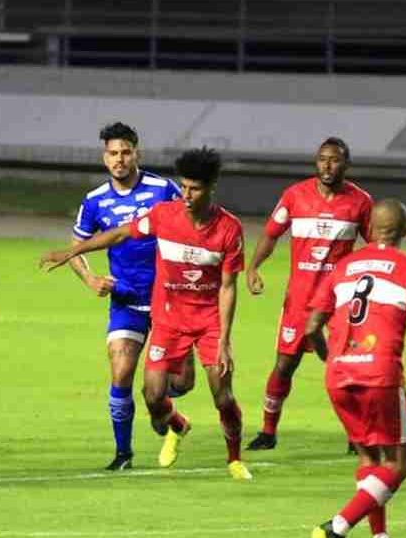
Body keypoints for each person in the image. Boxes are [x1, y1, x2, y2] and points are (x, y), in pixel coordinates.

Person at [41, 147, 252, 480]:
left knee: (222, 395)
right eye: (183, 186)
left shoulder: (228, 229)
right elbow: (121, 233)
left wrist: (224, 340)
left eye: (194, 188)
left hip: (209, 322)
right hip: (169, 319)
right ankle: (177, 425)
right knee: (152, 396)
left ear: (211, 188)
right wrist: (73, 250)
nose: (185, 194)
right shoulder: (164, 215)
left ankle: (235, 460)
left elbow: (228, 287)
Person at [306, 199, 406, 538]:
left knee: (371, 463)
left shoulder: (342, 268)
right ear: (404, 231)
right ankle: (336, 528)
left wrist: (332, 360)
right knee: (399, 463)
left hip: (339, 376)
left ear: (369, 229)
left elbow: (310, 329)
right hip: (381, 377)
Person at [66, 122, 186, 471]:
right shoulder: (94, 201)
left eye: (126, 152)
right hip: (126, 301)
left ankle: (170, 417)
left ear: (137, 153)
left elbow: (190, 227)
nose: (119, 159)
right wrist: (89, 278)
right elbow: (77, 248)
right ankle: (123, 453)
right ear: (105, 158)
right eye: (113, 153)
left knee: (178, 384)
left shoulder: (163, 189)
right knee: (120, 373)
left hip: (170, 301)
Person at [244, 137, 373, 450]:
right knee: (285, 365)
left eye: (335, 160)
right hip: (300, 300)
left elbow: (375, 245)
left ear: (346, 164)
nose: (327, 166)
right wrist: (253, 267)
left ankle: (357, 435)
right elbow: (271, 234)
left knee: (346, 366)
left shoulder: (360, 202)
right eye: (322, 159)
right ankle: (267, 431)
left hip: (340, 301)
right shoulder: (294, 196)